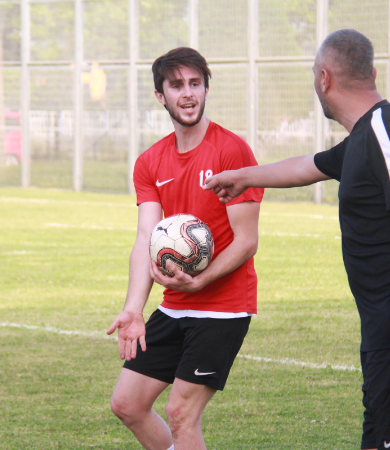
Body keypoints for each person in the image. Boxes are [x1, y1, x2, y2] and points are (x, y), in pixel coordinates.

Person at [203, 29, 390, 450]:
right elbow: (308, 166)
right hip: (386, 323)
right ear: (371, 73)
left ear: (324, 78)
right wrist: (244, 177)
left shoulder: (386, 129)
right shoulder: (362, 137)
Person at [106, 47, 264, 450]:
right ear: (161, 95)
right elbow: (146, 237)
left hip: (224, 305)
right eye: (177, 85)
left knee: (181, 413)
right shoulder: (150, 162)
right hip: (176, 304)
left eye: (195, 83)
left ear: (206, 89)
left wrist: (202, 279)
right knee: (127, 404)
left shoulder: (231, 151)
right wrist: (133, 309)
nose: (188, 93)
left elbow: (247, 241)